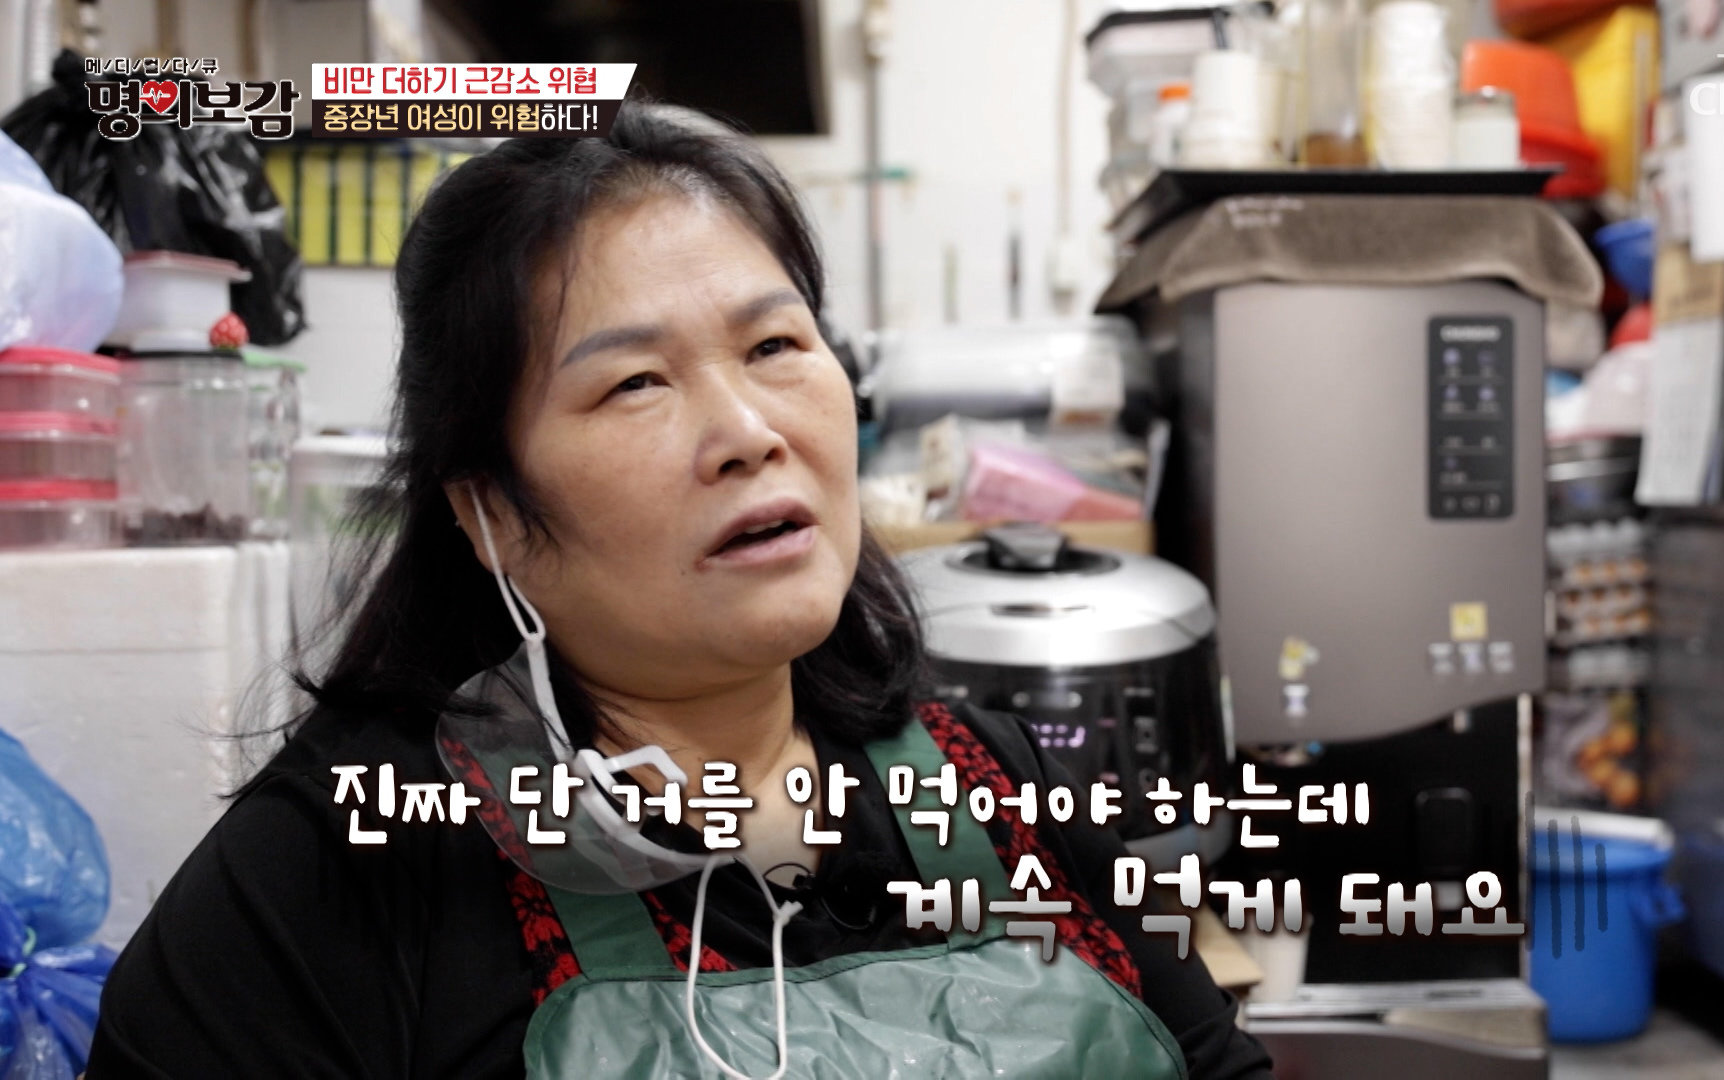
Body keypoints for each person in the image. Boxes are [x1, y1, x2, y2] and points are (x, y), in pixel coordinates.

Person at [87, 102, 1273, 1079]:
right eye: (637, 384)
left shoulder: (994, 789)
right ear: (490, 511)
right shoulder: (342, 874)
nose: (749, 431)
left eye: (775, 347)